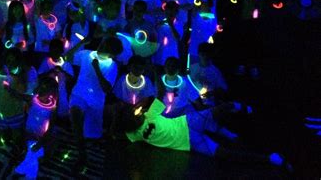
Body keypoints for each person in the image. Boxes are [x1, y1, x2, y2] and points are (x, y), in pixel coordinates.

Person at [122, 97, 291, 171]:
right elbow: (116, 135)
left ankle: (246, 108)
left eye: (135, 112)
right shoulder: (133, 134)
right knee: (223, 154)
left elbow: (154, 96)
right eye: (133, 115)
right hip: (189, 142)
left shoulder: (148, 114)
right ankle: (269, 159)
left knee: (218, 110)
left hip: (186, 122)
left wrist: (141, 104)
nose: (137, 113)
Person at [69, 37, 123, 167]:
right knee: (76, 122)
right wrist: (82, 43)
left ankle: (91, 143)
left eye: (105, 48)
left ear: (111, 54)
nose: (101, 47)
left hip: (95, 101)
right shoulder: (87, 54)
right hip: (79, 94)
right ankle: (83, 156)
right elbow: (67, 58)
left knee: (91, 134)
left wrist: (97, 69)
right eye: (102, 44)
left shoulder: (112, 66)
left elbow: (106, 88)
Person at [13, 77, 59, 178]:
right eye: (42, 87)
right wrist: (9, 88)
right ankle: (29, 174)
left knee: (36, 153)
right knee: (34, 152)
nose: (42, 90)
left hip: (42, 137)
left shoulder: (53, 108)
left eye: (46, 88)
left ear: (52, 92)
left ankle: (23, 168)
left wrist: (40, 143)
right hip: (29, 133)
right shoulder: (33, 99)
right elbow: (20, 96)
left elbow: (50, 129)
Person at [0, 48, 37, 145]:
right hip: (1, 110)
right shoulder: (0, 73)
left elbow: (23, 92)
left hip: (15, 111)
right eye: (8, 61)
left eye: (14, 61)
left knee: (16, 139)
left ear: (18, 62)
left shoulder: (21, 75)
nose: (10, 64)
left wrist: (13, 83)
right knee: (2, 140)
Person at [38, 38, 74, 118]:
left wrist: (62, 71)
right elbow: (39, 76)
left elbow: (71, 79)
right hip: (48, 93)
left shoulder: (66, 64)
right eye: (52, 50)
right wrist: (51, 71)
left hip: (62, 93)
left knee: (61, 115)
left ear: (61, 51)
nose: (54, 53)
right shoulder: (46, 61)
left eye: (57, 51)